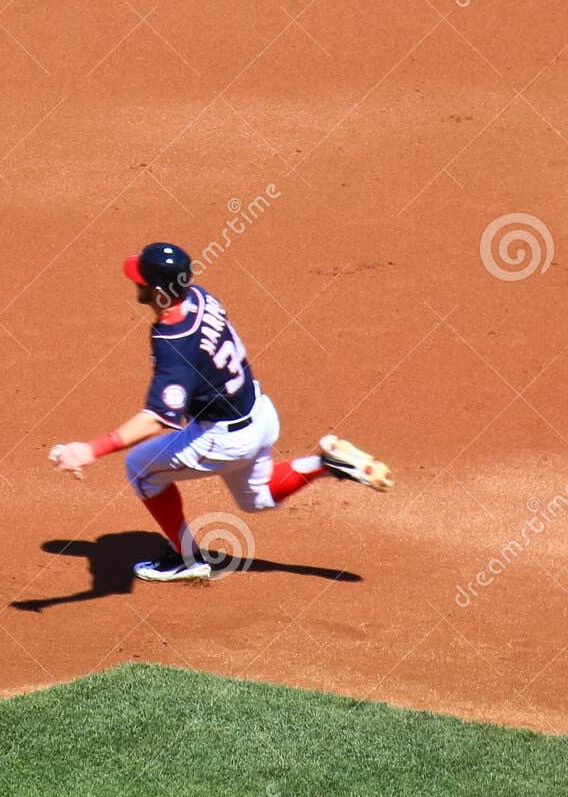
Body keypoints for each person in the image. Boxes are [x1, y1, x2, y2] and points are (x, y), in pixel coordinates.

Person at [49, 242, 393, 582]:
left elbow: (156, 419)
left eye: (140, 280)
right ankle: (325, 464)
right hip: (259, 412)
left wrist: (90, 449)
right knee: (256, 501)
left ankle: (187, 558)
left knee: (139, 467)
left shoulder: (173, 344)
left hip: (223, 438)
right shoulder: (199, 296)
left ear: (156, 290)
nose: (134, 283)